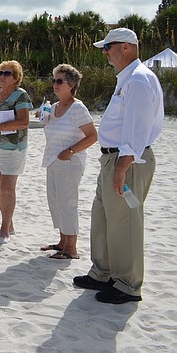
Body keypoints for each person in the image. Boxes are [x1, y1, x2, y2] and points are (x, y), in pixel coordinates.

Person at [74, 28, 164, 304]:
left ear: (126, 47)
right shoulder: (127, 79)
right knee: (103, 217)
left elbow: (136, 132)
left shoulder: (138, 80)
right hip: (113, 158)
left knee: (124, 222)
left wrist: (122, 168)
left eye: (109, 46)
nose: (105, 52)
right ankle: (103, 272)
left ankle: (127, 284)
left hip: (129, 160)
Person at [40, 64, 97, 260]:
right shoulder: (53, 107)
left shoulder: (77, 108)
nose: (55, 84)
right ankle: (62, 241)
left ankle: (71, 248)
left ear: (71, 84)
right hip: (53, 160)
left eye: (59, 81)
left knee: (67, 203)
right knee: (55, 202)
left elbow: (92, 136)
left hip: (70, 161)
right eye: (53, 80)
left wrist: (71, 150)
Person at [0, 60, 32, 245]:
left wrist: (0, 127)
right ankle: (8, 223)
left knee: (7, 187)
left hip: (13, 147)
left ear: (16, 77)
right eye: (0, 72)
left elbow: (24, 122)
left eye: (7, 73)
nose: (2, 76)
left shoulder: (21, 95)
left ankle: (5, 229)